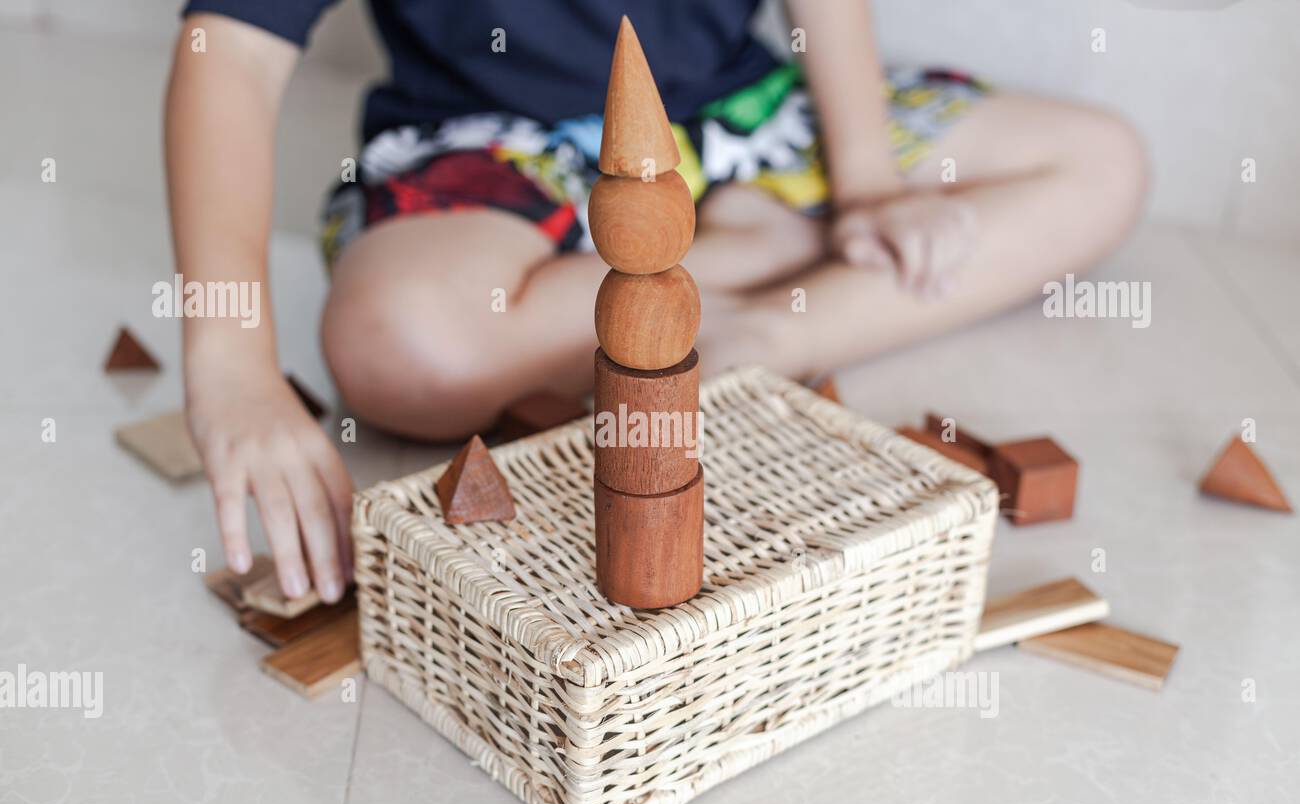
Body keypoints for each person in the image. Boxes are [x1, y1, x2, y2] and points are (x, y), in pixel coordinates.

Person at [166, 0, 1147, 604]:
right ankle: (732, 262)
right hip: (497, 142)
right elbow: (232, 54)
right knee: (399, 350)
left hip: (736, 119)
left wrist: (867, 184)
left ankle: (756, 325)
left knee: (1100, 163)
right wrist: (232, 362)